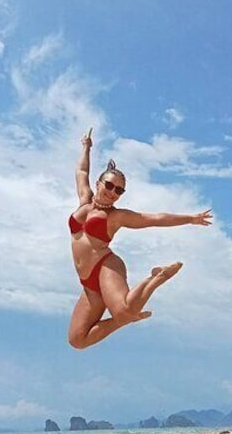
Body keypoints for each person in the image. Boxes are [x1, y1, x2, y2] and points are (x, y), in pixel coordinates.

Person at [68, 128, 213, 349]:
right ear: (98, 183)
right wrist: (86, 146)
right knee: (78, 340)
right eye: (108, 185)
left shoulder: (116, 216)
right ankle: (126, 318)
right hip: (88, 284)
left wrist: (190, 218)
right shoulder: (84, 200)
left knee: (125, 311)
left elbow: (154, 218)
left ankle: (156, 278)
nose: (112, 192)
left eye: (119, 190)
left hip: (105, 266)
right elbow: (81, 171)